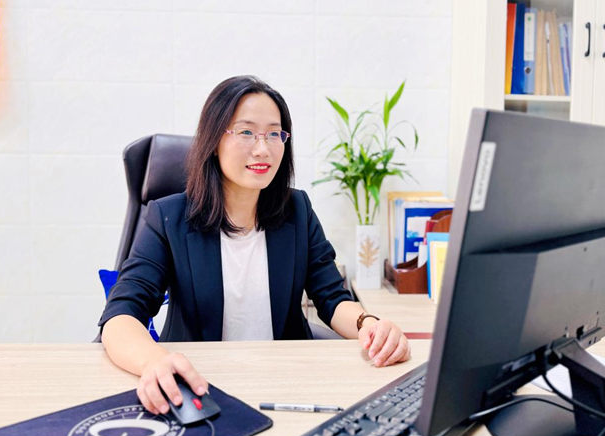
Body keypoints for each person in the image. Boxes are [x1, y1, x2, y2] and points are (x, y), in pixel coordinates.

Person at [98, 75, 411, 416]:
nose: (263, 149)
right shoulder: (168, 217)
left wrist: (370, 326)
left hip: (286, 385)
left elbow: (333, 300)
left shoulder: (298, 211)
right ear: (213, 140)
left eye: (274, 134)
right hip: (200, 389)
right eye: (246, 132)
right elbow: (121, 314)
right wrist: (154, 362)